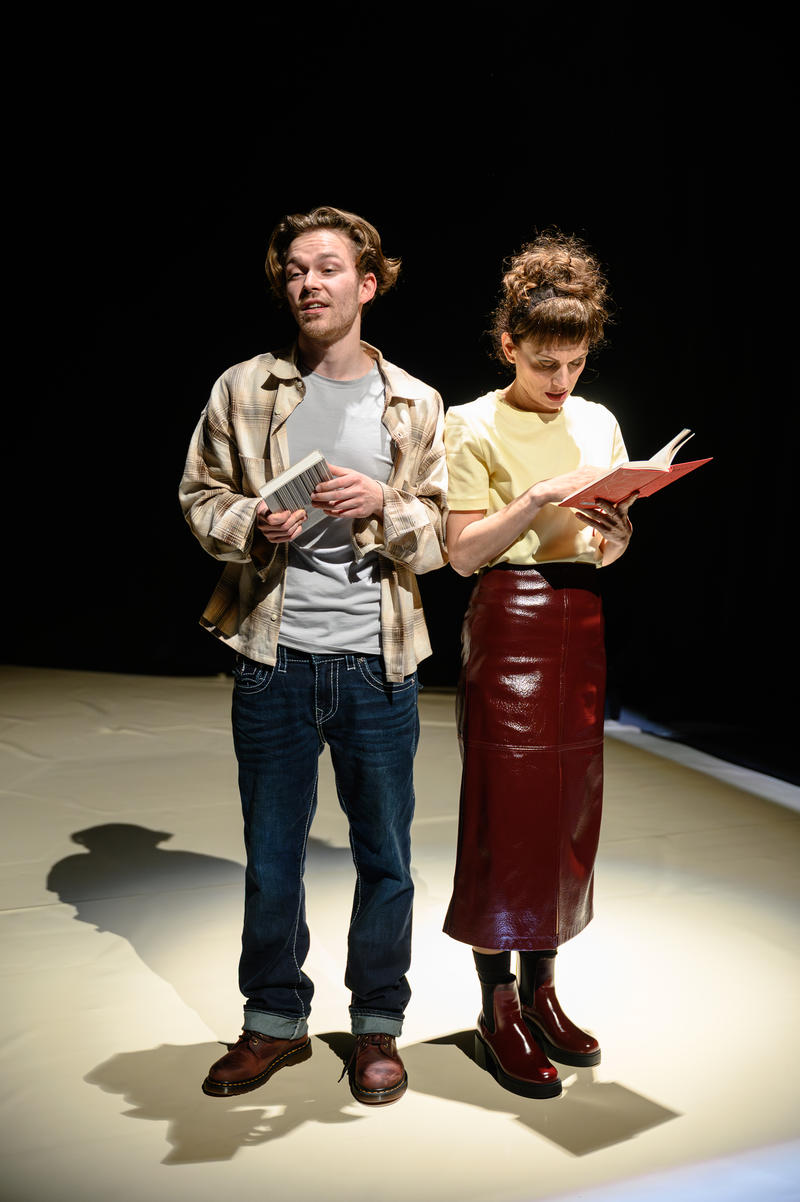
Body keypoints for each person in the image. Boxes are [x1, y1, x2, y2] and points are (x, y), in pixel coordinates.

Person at [179, 205, 447, 1105]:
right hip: (274, 657)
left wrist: (384, 504)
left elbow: (441, 535)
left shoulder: (414, 402)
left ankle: (377, 1024)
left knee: (386, 858)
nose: (307, 283)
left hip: (378, 661)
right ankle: (274, 1020)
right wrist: (252, 519)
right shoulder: (243, 387)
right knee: (270, 857)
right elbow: (199, 496)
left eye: (327, 268)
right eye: (295, 269)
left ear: (367, 284)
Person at [442, 231, 635, 1100]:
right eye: (546, 362)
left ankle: (543, 991)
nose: (562, 381)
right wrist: (534, 498)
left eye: (576, 362)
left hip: (580, 619)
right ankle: (498, 1007)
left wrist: (618, 536)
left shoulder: (597, 421)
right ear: (509, 345)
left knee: (567, 810)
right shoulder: (471, 422)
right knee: (506, 812)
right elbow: (460, 553)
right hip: (511, 617)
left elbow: (605, 546)